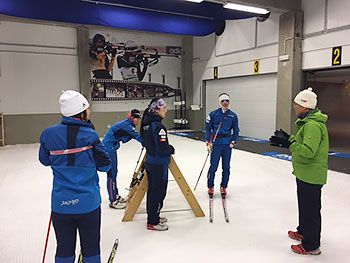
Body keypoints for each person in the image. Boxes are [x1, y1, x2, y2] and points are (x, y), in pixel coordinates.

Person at [39, 90, 111, 263]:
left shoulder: (48, 134)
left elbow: (44, 160)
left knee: (64, 250)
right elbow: (105, 165)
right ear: (81, 112)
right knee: (91, 248)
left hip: (61, 204)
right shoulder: (90, 135)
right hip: (88, 204)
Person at [269, 87, 329, 255]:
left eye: (296, 104)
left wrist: (290, 145)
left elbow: (309, 151)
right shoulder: (306, 122)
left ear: (305, 106)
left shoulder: (312, 125)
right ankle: (303, 231)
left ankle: (311, 245)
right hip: (304, 172)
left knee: (310, 210)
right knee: (304, 206)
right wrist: (290, 138)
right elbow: (303, 142)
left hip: (311, 174)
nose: (294, 106)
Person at [140, 98, 175, 231]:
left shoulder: (146, 124)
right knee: (158, 192)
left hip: (151, 162)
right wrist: (171, 149)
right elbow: (162, 148)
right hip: (159, 164)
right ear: (157, 110)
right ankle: (152, 221)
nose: (166, 110)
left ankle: (154, 216)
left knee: (154, 191)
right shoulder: (158, 126)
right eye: (164, 108)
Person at [102, 109, 143, 209]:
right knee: (111, 174)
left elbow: (128, 137)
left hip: (111, 148)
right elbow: (137, 136)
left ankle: (115, 195)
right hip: (108, 150)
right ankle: (112, 200)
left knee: (114, 172)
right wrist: (148, 143)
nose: (137, 121)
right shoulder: (126, 125)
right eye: (136, 119)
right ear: (131, 118)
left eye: (138, 119)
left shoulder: (127, 125)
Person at [205, 93, 239, 196]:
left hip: (227, 145)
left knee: (226, 167)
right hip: (216, 144)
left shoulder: (233, 115)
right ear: (219, 102)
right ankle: (210, 186)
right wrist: (208, 141)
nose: (225, 103)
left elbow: (236, 129)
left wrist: (234, 140)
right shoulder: (213, 114)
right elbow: (207, 129)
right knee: (213, 167)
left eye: (227, 101)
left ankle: (224, 186)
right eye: (223, 101)